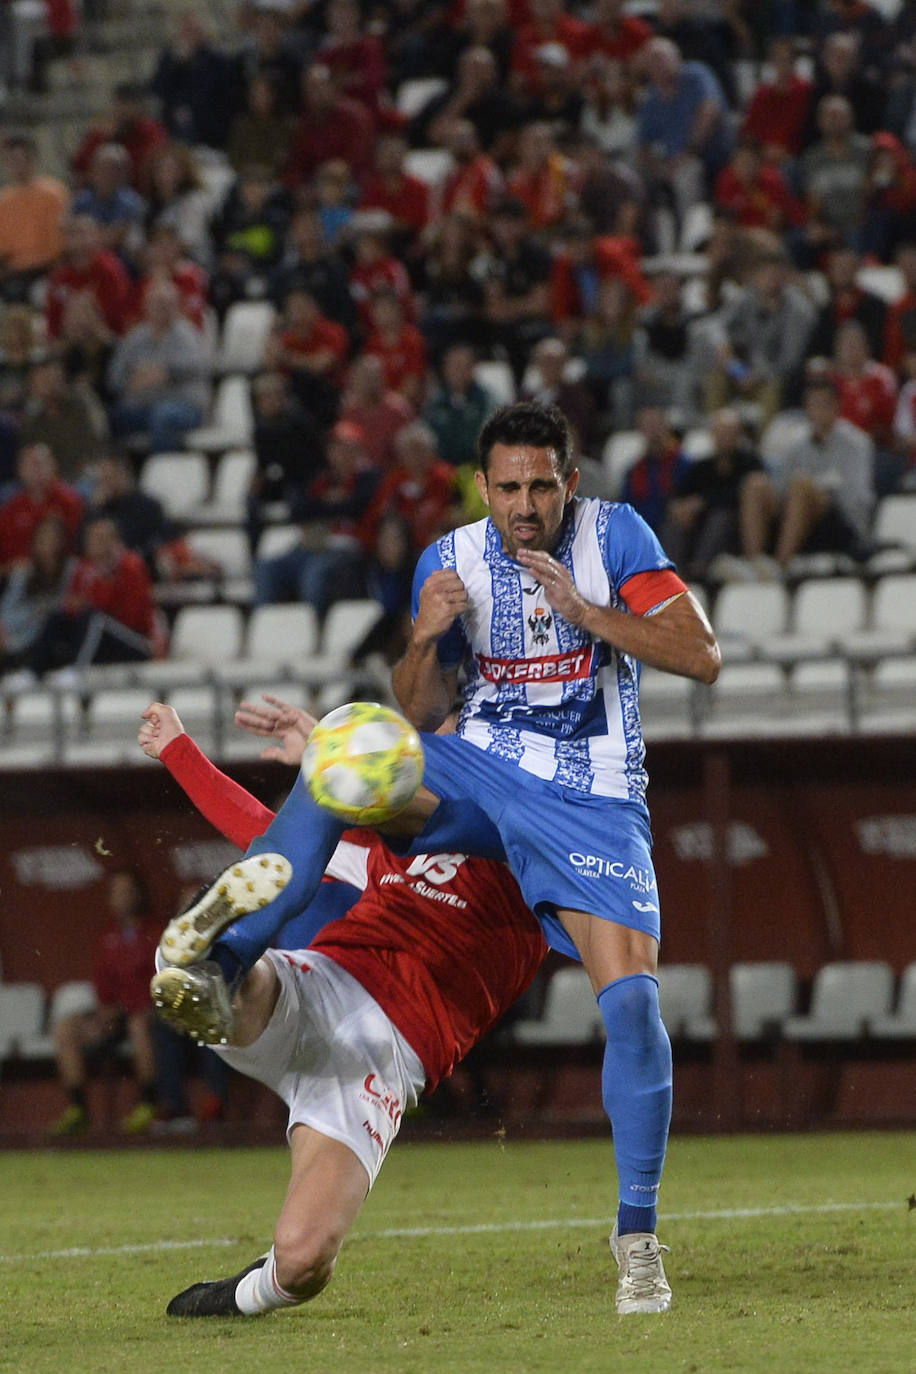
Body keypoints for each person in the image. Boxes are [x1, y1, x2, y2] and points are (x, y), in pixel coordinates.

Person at [149, 401, 721, 1315]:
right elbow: (418, 712)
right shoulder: (450, 560)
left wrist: (587, 613)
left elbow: (702, 656)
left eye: (542, 485)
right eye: (507, 488)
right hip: (478, 769)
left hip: (590, 796)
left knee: (635, 1004)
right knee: (347, 748)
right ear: (482, 486)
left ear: (569, 483)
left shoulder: (617, 536)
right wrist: (423, 636)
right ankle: (220, 956)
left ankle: (638, 1240)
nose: (525, 504)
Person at [138, 698, 548, 1317]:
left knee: (302, 1262)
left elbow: (470, 821)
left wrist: (330, 763)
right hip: (324, 983)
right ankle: (205, 968)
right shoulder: (384, 836)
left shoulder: (535, 850)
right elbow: (269, 844)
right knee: (226, 980)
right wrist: (183, 752)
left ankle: (245, 1294)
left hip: (383, 1058)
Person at [50, 867, 161, 1136]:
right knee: (66, 1028)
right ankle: (78, 1109)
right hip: (115, 1014)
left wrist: (128, 1008)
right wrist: (105, 1011)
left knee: (138, 1024)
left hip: (149, 1012)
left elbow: (160, 979)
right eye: (116, 893)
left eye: (126, 892)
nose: (120, 898)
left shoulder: (156, 933)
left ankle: (148, 1104)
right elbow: (103, 982)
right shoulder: (107, 938)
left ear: (138, 896)